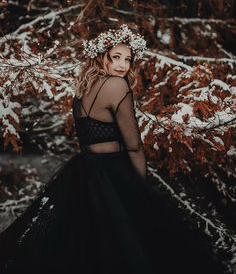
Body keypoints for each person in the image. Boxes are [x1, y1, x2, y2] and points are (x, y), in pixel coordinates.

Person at [0, 24, 226, 274]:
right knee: (131, 247)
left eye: (128, 59)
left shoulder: (82, 90)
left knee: (87, 247)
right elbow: (134, 145)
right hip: (112, 171)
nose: (123, 65)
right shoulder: (117, 87)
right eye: (115, 57)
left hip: (84, 171)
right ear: (101, 57)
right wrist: (140, 186)